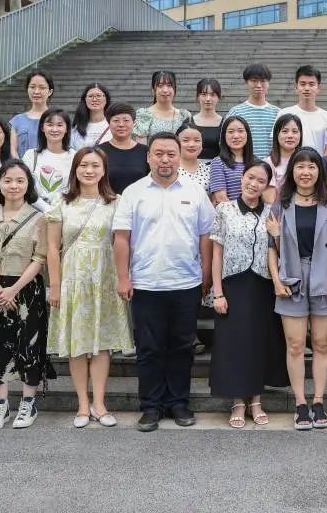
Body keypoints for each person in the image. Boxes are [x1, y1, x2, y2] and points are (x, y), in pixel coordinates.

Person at [113, 132, 216, 432]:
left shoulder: (195, 192)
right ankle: (151, 406)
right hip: (146, 284)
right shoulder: (133, 192)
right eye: (158, 153)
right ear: (148, 157)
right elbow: (122, 237)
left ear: (179, 157)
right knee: (149, 348)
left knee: (182, 347)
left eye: (171, 154)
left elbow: (206, 236)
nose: (165, 159)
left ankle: (179, 402)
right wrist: (123, 277)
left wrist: (206, 275)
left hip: (186, 282)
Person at [46, 147, 132, 428]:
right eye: (83, 165)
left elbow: (122, 242)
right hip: (72, 279)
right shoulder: (61, 202)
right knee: (77, 344)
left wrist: (122, 278)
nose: (89, 170)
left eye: (95, 165)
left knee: (102, 344)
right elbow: (52, 248)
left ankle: (99, 403)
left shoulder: (116, 202)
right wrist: (55, 285)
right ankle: (82, 404)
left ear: (104, 170)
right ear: (75, 169)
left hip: (104, 278)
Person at [0, 159, 55, 430]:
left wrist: (13, 290)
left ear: (28, 185)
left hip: (27, 289)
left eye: (20, 180)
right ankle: (1, 404)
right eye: (7, 180)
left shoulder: (39, 219)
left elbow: (40, 258)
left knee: (30, 344)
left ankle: (28, 402)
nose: (13, 185)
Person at [209, 160, 289, 428]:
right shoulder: (225, 209)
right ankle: (237, 401)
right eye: (250, 178)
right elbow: (217, 252)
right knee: (234, 343)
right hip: (233, 284)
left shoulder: (271, 212)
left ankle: (255, 399)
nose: (253, 184)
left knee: (258, 342)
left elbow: (281, 251)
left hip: (262, 285)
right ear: (242, 177)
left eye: (260, 181)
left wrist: (278, 234)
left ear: (267, 186)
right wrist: (217, 292)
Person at [268, 148, 327, 431]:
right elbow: (271, 249)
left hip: (324, 277)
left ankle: (318, 401)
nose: (306, 172)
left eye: (311, 166)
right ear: (292, 172)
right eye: (300, 167)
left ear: (320, 171)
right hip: (291, 278)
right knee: (295, 344)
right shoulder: (280, 205)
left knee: (321, 343)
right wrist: (276, 280)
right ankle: (300, 404)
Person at [21, 108, 75, 210]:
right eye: (50, 125)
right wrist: (46, 209)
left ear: (67, 128)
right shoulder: (31, 155)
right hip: (35, 213)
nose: (54, 129)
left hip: (65, 211)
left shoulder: (75, 156)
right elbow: (24, 186)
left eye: (59, 125)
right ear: (42, 128)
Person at [227, 63, 279, 159]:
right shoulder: (235, 112)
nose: (259, 85)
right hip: (244, 164)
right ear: (246, 82)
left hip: (271, 165)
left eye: (263, 81)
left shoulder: (277, 113)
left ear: (268, 83)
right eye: (254, 81)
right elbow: (224, 141)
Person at [278, 65, 327, 155]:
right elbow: (277, 143)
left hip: (318, 163)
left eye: (311, 84)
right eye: (303, 84)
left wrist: (321, 163)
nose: (307, 88)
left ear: (319, 88)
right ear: (296, 87)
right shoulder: (284, 113)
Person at [98, 103, 149, 195]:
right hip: (107, 201)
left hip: (139, 201)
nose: (121, 124)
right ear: (109, 124)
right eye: (116, 120)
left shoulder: (145, 151)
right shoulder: (99, 151)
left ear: (134, 123)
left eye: (126, 120)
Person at [134, 70, 192, 143]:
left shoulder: (184, 115)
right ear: (153, 90)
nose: (165, 90)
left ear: (175, 89)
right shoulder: (144, 115)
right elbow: (141, 146)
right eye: (160, 86)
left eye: (169, 85)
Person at [210, 115, 255, 203]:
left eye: (240, 131)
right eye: (230, 132)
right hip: (229, 211)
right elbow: (221, 198)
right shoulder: (218, 163)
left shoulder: (256, 162)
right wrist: (239, 211)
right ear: (224, 136)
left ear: (247, 134)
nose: (236, 136)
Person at [9, 68, 53, 157]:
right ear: (27, 89)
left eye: (42, 87)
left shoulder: (57, 119)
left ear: (50, 92)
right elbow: (13, 150)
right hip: (21, 165)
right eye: (32, 87)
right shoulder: (17, 120)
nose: (36, 91)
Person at [262, 113, 303, 198]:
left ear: (300, 134)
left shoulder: (306, 160)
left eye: (295, 131)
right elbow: (269, 199)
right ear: (276, 134)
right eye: (285, 131)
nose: (290, 136)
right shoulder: (268, 163)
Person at [176, 122, 214, 195]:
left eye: (197, 140)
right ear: (176, 143)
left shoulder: (209, 170)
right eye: (186, 140)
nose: (192, 144)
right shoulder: (170, 168)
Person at [70, 83, 112, 149]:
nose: (94, 99)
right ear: (85, 99)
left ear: (106, 99)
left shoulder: (113, 124)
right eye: (90, 96)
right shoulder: (76, 128)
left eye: (98, 96)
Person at [192, 77, 223, 161]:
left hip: (217, 167)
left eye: (212, 95)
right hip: (193, 166)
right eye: (204, 94)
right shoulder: (189, 123)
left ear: (218, 97)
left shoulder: (225, 123)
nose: (208, 99)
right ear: (198, 97)